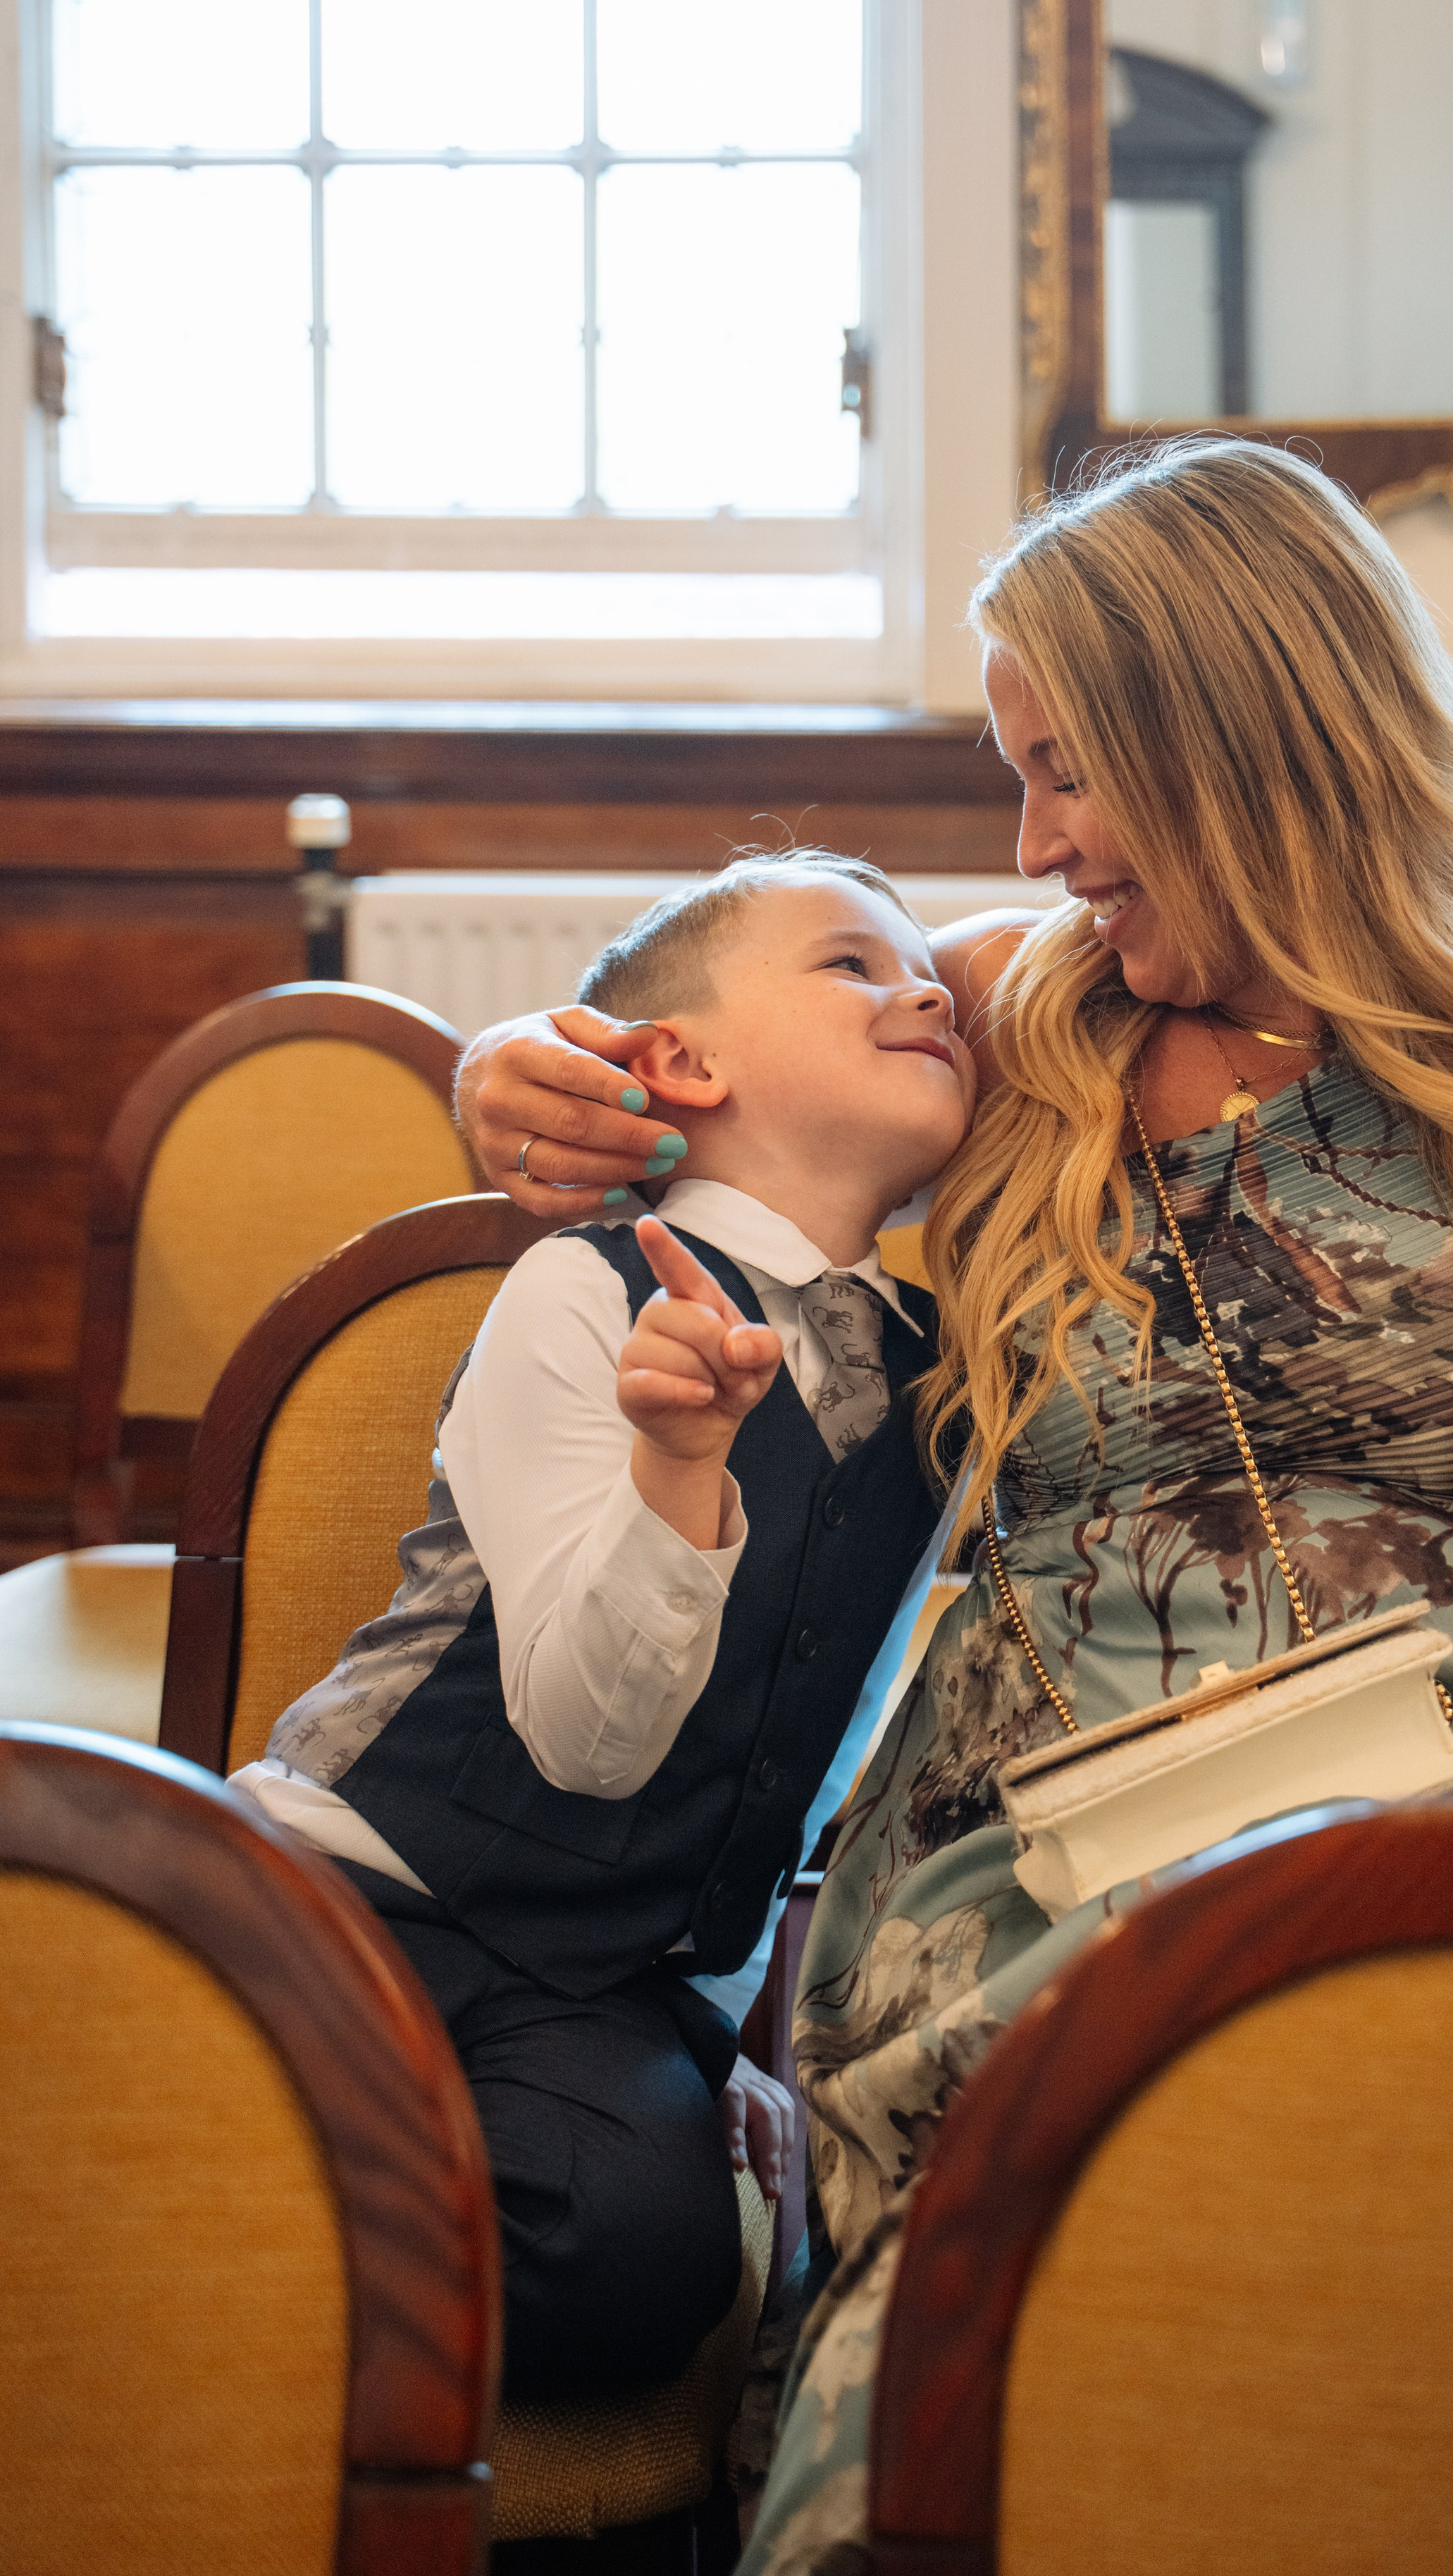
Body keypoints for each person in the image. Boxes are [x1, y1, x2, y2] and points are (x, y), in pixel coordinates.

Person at [457, 439, 1453, 2567]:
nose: (1034, 842)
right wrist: (520, 1072)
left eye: (1067, 772)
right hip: (1058, 1827)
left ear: (1235, 733)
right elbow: (688, 1063)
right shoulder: (1014, 1014)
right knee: (1075, 2213)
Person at [231, 846, 975, 2403]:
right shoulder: (578, 1292)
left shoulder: (935, 1375)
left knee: (642, 2257)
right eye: (852, 963)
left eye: (929, 979)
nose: (925, 994)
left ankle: (260, 2189)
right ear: (681, 1064)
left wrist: (714, 2032)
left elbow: (811, 1749)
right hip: (363, 1890)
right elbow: (584, 1740)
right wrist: (677, 1471)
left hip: (600, 1982)